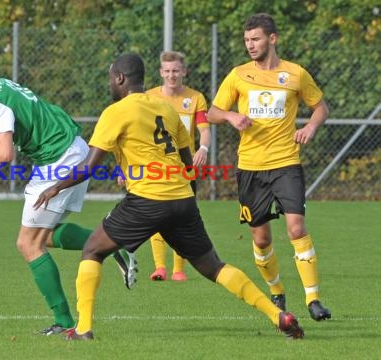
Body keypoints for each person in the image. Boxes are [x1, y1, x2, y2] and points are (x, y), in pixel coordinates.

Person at [34, 53, 304, 340]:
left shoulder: (116, 111)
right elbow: (188, 164)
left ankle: (84, 329)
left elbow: (89, 167)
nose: (110, 84)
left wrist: (55, 187)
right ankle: (278, 315)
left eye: (111, 79)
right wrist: (185, 199)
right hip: (181, 199)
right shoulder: (166, 109)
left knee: (93, 250)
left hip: (146, 201)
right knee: (214, 266)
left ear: (120, 79)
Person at [0, 55, 138, 336]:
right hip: (71, 150)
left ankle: (66, 322)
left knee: (28, 243)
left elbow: (4, 153)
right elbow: (0, 152)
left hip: (59, 159)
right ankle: (113, 244)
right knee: (45, 234)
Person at [207, 13, 331, 321]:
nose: (250, 45)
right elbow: (212, 112)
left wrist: (311, 127)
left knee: (296, 227)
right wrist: (231, 117)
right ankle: (276, 290)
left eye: (256, 39)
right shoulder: (238, 75)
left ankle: (313, 299)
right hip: (250, 167)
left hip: (286, 162)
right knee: (261, 239)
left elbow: (320, 107)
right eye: (247, 40)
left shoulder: (295, 74)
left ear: (272, 39)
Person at [145, 51, 211, 282]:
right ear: (161, 73)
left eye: (176, 71)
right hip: (156, 167)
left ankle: (178, 270)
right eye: (167, 71)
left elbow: (204, 129)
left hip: (185, 167)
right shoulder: (149, 97)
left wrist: (203, 149)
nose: (172, 75)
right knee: (156, 215)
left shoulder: (196, 98)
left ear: (184, 72)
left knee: (182, 216)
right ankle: (159, 267)